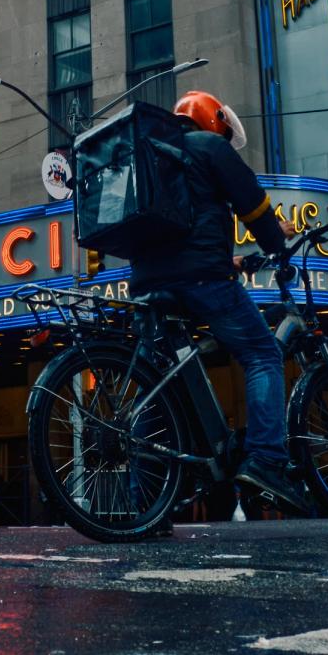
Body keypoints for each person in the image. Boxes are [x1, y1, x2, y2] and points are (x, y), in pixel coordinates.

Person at [128, 89, 302, 513]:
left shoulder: (152, 153)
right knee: (262, 354)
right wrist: (276, 244)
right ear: (212, 119)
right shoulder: (209, 146)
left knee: (155, 385)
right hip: (203, 279)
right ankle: (266, 460)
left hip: (149, 284)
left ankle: (144, 502)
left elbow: (178, 226)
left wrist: (234, 260)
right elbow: (252, 205)